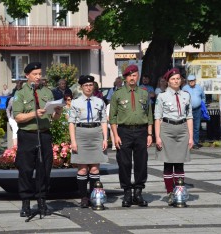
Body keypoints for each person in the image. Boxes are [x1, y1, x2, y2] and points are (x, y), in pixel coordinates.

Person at [12, 62, 63, 217]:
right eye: (35, 74)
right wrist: (34, 114)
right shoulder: (20, 93)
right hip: (27, 135)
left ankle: (42, 201)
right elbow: (18, 117)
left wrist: (58, 112)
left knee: (44, 169)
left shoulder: (48, 92)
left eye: (40, 74)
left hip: (44, 134)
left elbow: (53, 118)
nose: (38, 77)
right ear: (27, 75)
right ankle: (26, 203)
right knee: (26, 170)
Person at [109, 64, 153, 208]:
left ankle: (139, 192)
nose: (132, 78)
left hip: (141, 131)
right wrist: (115, 136)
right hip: (124, 131)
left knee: (141, 163)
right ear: (125, 78)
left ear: (138, 76)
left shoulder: (144, 93)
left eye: (134, 75)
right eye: (129, 76)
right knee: (124, 163)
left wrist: (149, 133)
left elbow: (149, 115)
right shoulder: (118, 94)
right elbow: (112, 117)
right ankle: (127, 192)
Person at [154, 68, 193, 206]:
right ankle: (170, 192)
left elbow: (189, 116)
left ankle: (180, 191)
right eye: (173, 79)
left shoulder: (186, 95)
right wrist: (157, 137)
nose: (176, 81)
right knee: (168, 162)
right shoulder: (162, 96)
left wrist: (191, 137)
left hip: (182, 129)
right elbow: (157, 118)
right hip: (167, 129)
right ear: (168, 81)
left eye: (178, 78)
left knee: (180, 162)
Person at [68, 75, 108, 208]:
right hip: (81, 134)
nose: (88, 87)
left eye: (91, 85)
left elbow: (103, 120)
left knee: (95, 168)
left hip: (96, 134)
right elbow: (71, 122)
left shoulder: (99, 101)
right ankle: (83, 197)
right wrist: (73, 141)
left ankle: (93, 196)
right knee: (83, 169)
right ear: (81, 87)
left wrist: (105, 138)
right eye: (86, 85)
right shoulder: (75, 102)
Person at [182, 74, 206, 149]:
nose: (191, 82)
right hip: (187, 110)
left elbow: (203, 97)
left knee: (196, 127)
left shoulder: (199, 88)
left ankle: (195, 143)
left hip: (197, 109)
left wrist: (202, 105)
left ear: (195, 81)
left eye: (192, 80)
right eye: (189, 81)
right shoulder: (184, 88)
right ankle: (187, 142)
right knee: (187, 126)